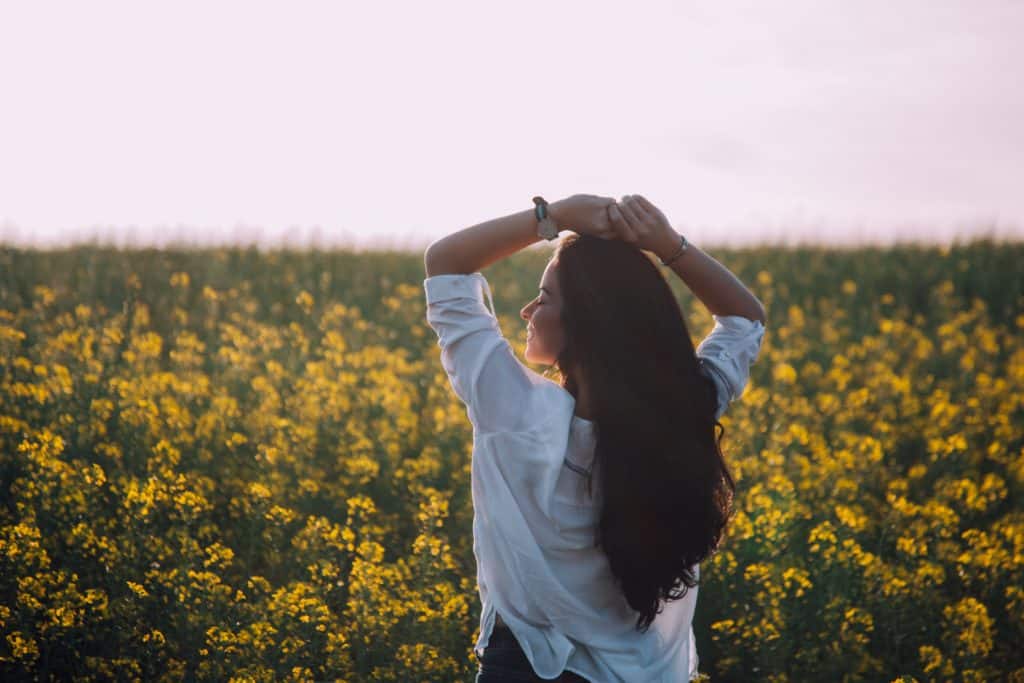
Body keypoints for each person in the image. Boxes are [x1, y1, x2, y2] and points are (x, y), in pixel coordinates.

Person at [423, 194, 767, 682]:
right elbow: (745, 319)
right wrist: (668, 245)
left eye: (544, 298)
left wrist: (554, 216)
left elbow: (445, 263)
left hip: (529, 667)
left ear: (583, 322)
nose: (526, 310)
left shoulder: (516, 412)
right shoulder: (682, 411)